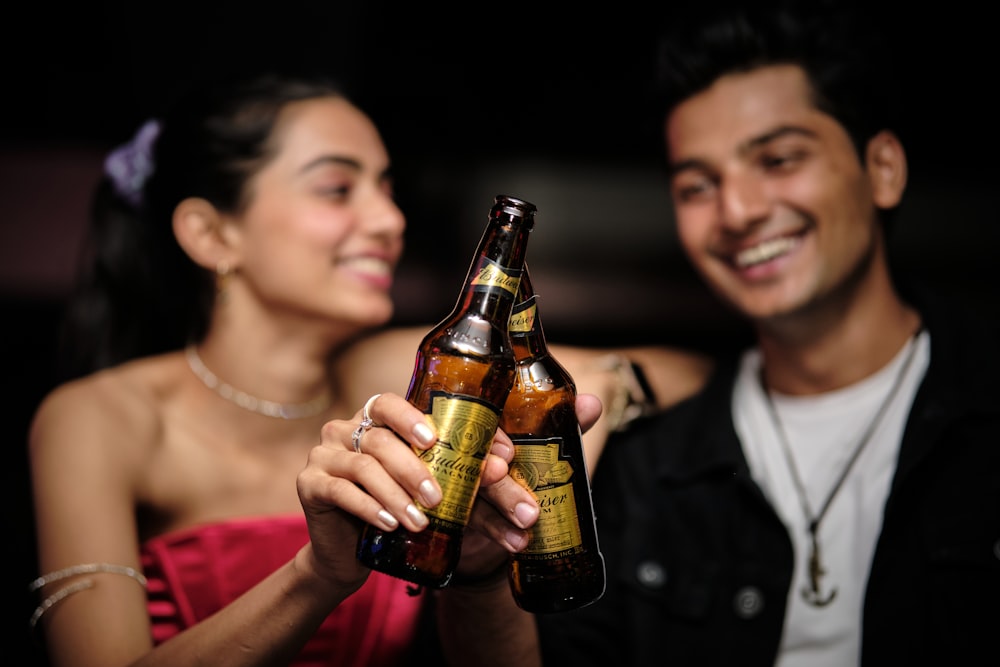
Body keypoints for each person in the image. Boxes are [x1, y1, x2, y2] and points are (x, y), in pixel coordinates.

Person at [27, 72, 711, 667]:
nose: (389, 218)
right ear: (211, 234)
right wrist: (317, 574)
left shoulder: (388, 372)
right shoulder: (100, 417)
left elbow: (690, 370)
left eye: (386, 187)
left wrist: (582, 415)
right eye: (337, 188)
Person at [535, 1, 1000, 665]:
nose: (738, 210)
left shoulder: (984, 416)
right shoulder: (646, 470)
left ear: (884, 169)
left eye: (778, 159)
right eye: (697, 186)